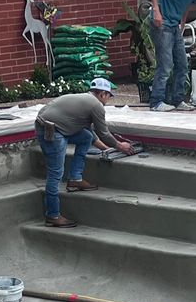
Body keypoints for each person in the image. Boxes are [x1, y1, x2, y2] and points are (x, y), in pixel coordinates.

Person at [34, 77, 135, 228]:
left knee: (85, 137)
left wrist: (108, 149)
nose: (108, 99)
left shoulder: (84, 100)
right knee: (55, 173)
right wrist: (120, 146)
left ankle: (75, 178)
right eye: (108, 95)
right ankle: (52, 215)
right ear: (102, 94)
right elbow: (104, 133)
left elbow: (90, 134)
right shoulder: (96, 105)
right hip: (52, 131)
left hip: (49, 125)